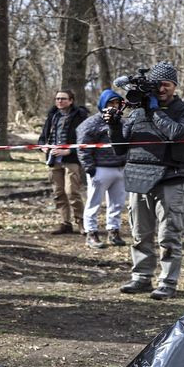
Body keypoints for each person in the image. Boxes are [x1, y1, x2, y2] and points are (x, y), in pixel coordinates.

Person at [110, 62, 184, 300]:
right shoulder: (137, 111)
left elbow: (176, 133)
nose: (161, 89)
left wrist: (155, 110)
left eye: (166, 85)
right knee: (140, 234)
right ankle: (141, 277)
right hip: (138, 178)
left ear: (175, 86)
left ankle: (167, 281)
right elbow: (119, 149)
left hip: (171, 179)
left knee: (169, 236)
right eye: (157, 85)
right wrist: (114, 125)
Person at [76, 89, 128, 249]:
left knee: (117, 203)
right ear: (103, 104)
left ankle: (114, 231)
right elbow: (83, 147)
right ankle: (91, 233)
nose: (114, 106)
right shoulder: (91, 123)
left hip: (120, 168)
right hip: (99, 169)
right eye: (110, 103)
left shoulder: (123, 122)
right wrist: (89, 167)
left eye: (116, 103)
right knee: (94, 203)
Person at [37, 90, 90, 235]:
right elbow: (42, 138)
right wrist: (43, 147)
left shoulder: (80, 117)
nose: (59, 101)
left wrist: (69, 151)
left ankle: (81, 223)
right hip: (54, 161)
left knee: (72, 192)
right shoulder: (52, 116)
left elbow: (85, 140)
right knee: (58, 193)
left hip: (71, 160)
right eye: (57, 99)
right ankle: (65, 223)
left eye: (63, 99)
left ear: (71, 100)